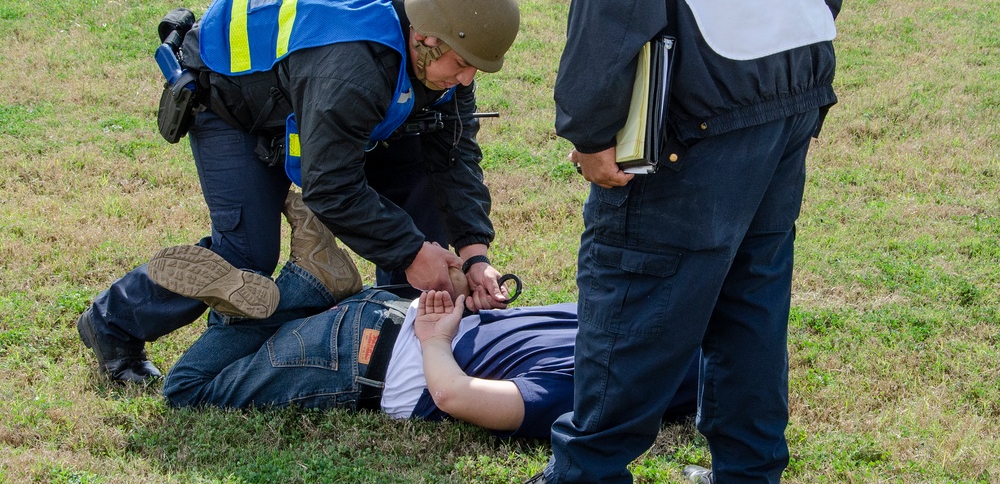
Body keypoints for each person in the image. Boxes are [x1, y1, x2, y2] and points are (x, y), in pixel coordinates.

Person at [534, 0, 847, 484]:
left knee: (631, 307)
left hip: (694, 121)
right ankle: (747, 473)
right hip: (789, 97)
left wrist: (590, 128)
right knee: (748, 306)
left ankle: (585, 476)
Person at [78, 0, 521, 384]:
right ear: (424, 38)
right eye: (461, 67)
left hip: (315, 96)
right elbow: (331, 186)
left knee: (421, 188)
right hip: (233, 101)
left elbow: (453, 157)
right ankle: (113, 323)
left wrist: (473, 255)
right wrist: (410, 253)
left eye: (474, 69)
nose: (466, 80)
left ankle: (405, 327)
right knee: (247, 255)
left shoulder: (451, 37)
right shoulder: (354, 68)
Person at [144, 196, 699, 437]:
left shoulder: (608, 315)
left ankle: (311, 283)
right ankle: (306, 283)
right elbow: (454, 396)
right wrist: (437, 341)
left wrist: (459, 303)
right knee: (189, 390)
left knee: (269, 344)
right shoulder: (596, 389)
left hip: (386, 309)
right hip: (367, 361)